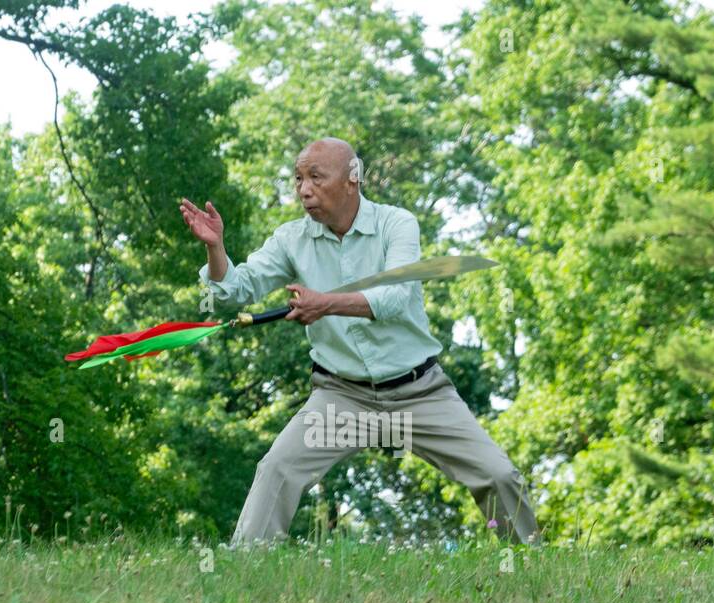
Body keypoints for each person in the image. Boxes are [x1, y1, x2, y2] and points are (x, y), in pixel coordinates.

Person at [180, 137, 539, 547]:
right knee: (277, 469)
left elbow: (394, 298)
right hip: (342, 399)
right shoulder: (291, 239)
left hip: (418, 394)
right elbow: (232, 293)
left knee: (497, 475)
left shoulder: (396, 224)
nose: (304, 189)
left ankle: (528, 565)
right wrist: (216, 248)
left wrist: (324, 305)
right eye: (298, 178)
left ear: (353, 179)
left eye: (316, 177)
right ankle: (241, 570)